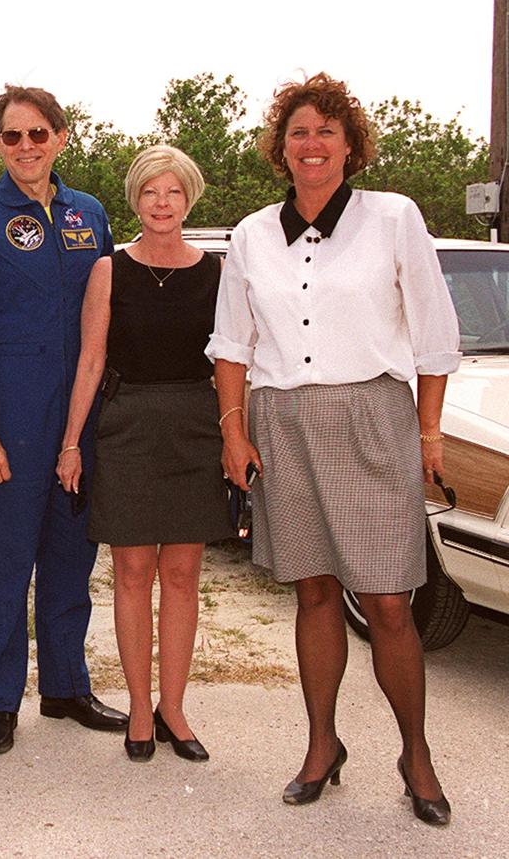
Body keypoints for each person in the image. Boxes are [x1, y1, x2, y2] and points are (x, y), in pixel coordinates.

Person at [207, 73, 459, 825]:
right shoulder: (252, 234)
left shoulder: (393, 219)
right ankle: (322, 746)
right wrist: (233, 431)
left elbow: (436, 334)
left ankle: (415, 754)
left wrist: (429, 434)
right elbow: (231, 344)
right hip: (281, 419)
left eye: (325, 131)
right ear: (280, 150)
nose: (311, 144)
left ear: (351, 145)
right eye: (298, 133)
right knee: (313, 590)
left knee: (386, 600)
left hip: (372, 416)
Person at [0, 85, 128, 755]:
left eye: (38, 134)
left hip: (80, 414)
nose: (26, 148)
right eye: (13, 136)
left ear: (61, 138)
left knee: (72, 556)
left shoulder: (90, 215)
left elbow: (106, 316)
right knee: (8, 562)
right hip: (11, 416)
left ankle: (67, 686)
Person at [57, 145, 232, 763]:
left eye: (174, 192)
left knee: (182, 576)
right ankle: (137, 708)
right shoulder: (110, 269)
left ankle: (174, 710)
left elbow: (235, 360)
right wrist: (72, 440)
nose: (162, 204)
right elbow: (91, 357)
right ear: (136, 200)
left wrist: (238, 437)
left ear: (189, 199)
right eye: (151, 192)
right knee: (132, 575)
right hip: (126, 424)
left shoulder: (217, 272)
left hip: (194, 424)